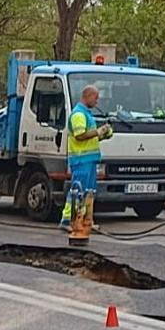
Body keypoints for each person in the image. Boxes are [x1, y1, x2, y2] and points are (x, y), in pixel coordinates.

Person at [62, 83, 113, 240]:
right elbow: (80, 135)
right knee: (78, 191)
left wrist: (103, 134)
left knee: (89, 192)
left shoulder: (87, 114)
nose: (97, 101)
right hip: (81, 160)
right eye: (96, 98)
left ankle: (86, 221)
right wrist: (98, 132)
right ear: (88, 96)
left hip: (89, 160)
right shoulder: (78, 115)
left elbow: (88, 137)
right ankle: (68, 220)